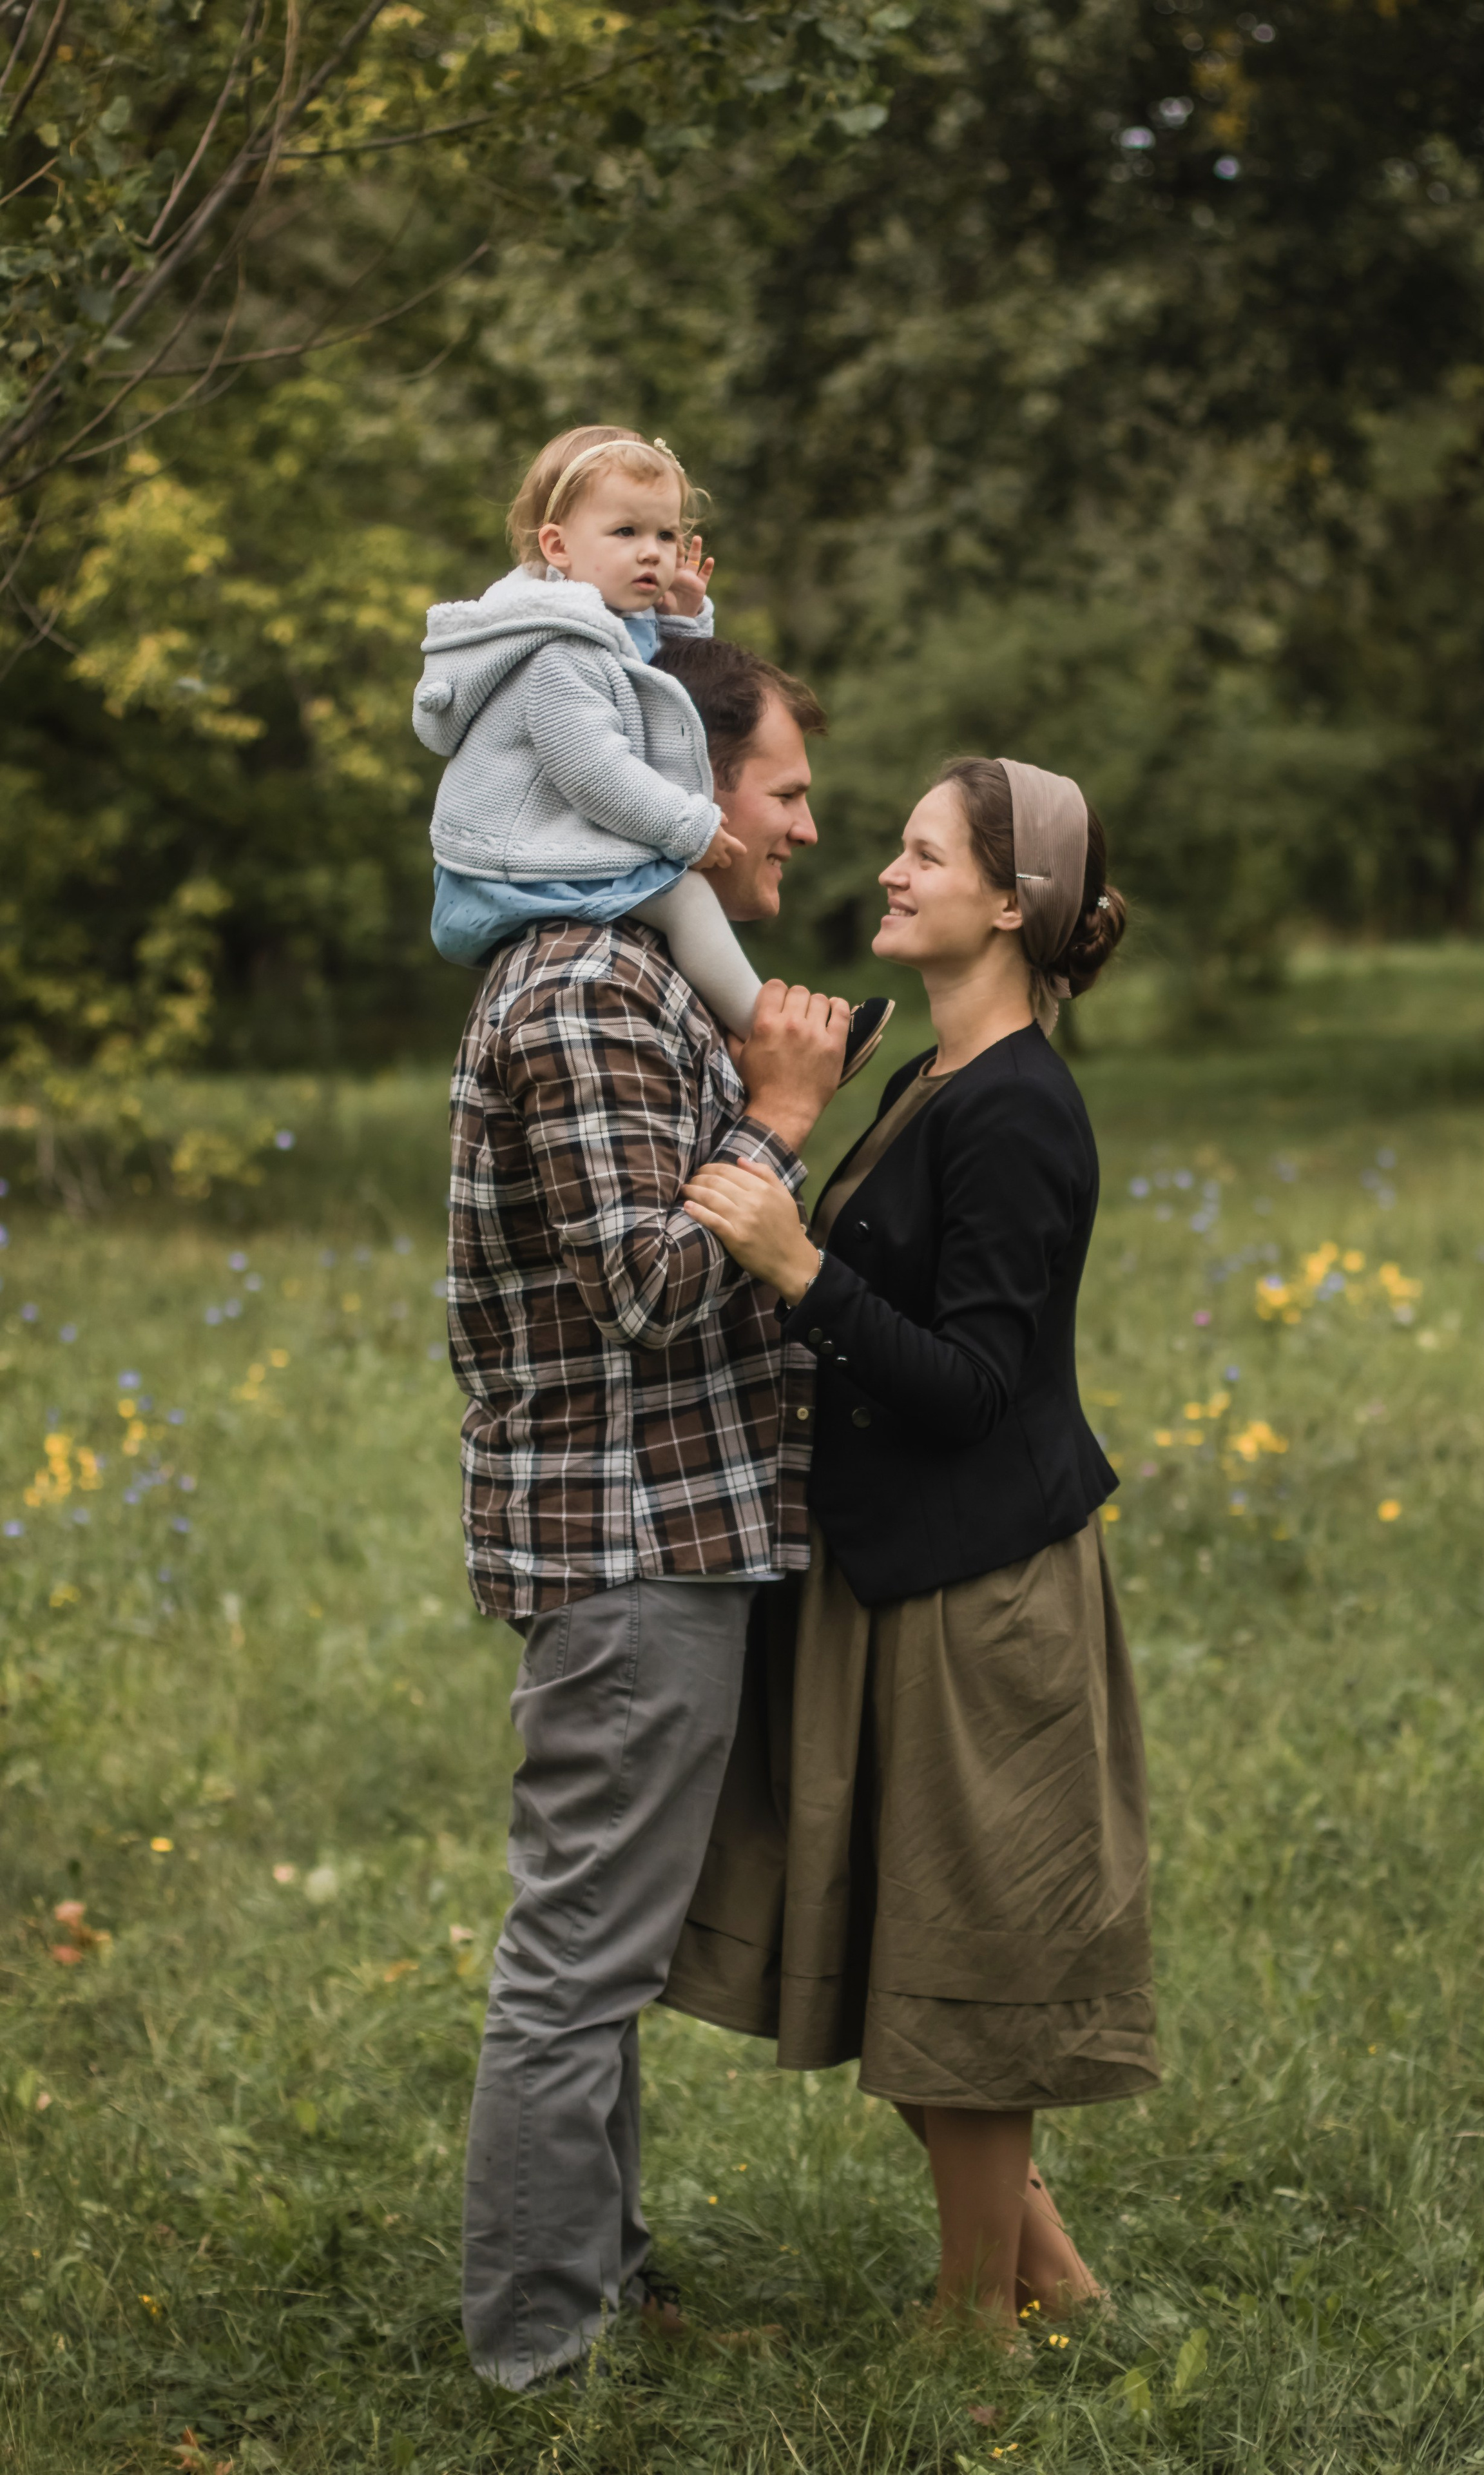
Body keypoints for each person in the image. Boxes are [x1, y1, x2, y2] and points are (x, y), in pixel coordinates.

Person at [675, 755, 1161, 2337]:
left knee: (962, 1957)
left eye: (919, 852)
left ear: (1005, 902)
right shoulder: (932, 1078)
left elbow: (973, 1385)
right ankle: (1055, 2288)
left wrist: (797, 1263)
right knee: (916, 1937)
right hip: (901, 1574)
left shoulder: (1016, 1109)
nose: (884, 871)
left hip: (983, 1588)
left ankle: (969, 2322)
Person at [447, 637, 849, 2389]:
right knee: (576, 1962)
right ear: (677, 789)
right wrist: (775, 1123)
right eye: (784, 793)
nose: (804, 830)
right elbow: (641, 1287)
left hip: (665, 1532)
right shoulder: (591, 990)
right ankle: (538, 2355)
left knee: (597, 1955)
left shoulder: (637, 973)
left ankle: (596, 2290)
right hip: (624, 1549)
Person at [414, 422, 889, 1078]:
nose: (652, 554)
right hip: (514, 859)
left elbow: (654, 694)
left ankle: (731, 1038)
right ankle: (769, 1034)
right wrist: (690, 829)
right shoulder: (557, 651)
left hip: (549, 846)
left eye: (666, 535)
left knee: (677, 894)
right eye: (626, 533)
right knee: (682, 890)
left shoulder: (595, 625)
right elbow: (595, 769)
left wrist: (680, 624)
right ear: (557, 546)